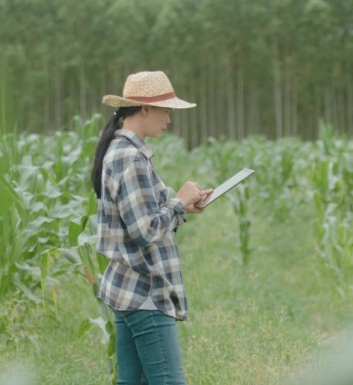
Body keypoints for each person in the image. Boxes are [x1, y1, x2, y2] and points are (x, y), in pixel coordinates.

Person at [91, 71, 211, 385]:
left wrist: (184, 207)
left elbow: (138, 218)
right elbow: (145, 231)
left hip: (127, 289)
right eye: (166, 109)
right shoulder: (130, 159)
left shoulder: (120, 152)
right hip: (146, 291)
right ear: (144, 109)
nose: (169, 118)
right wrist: (178, 201)